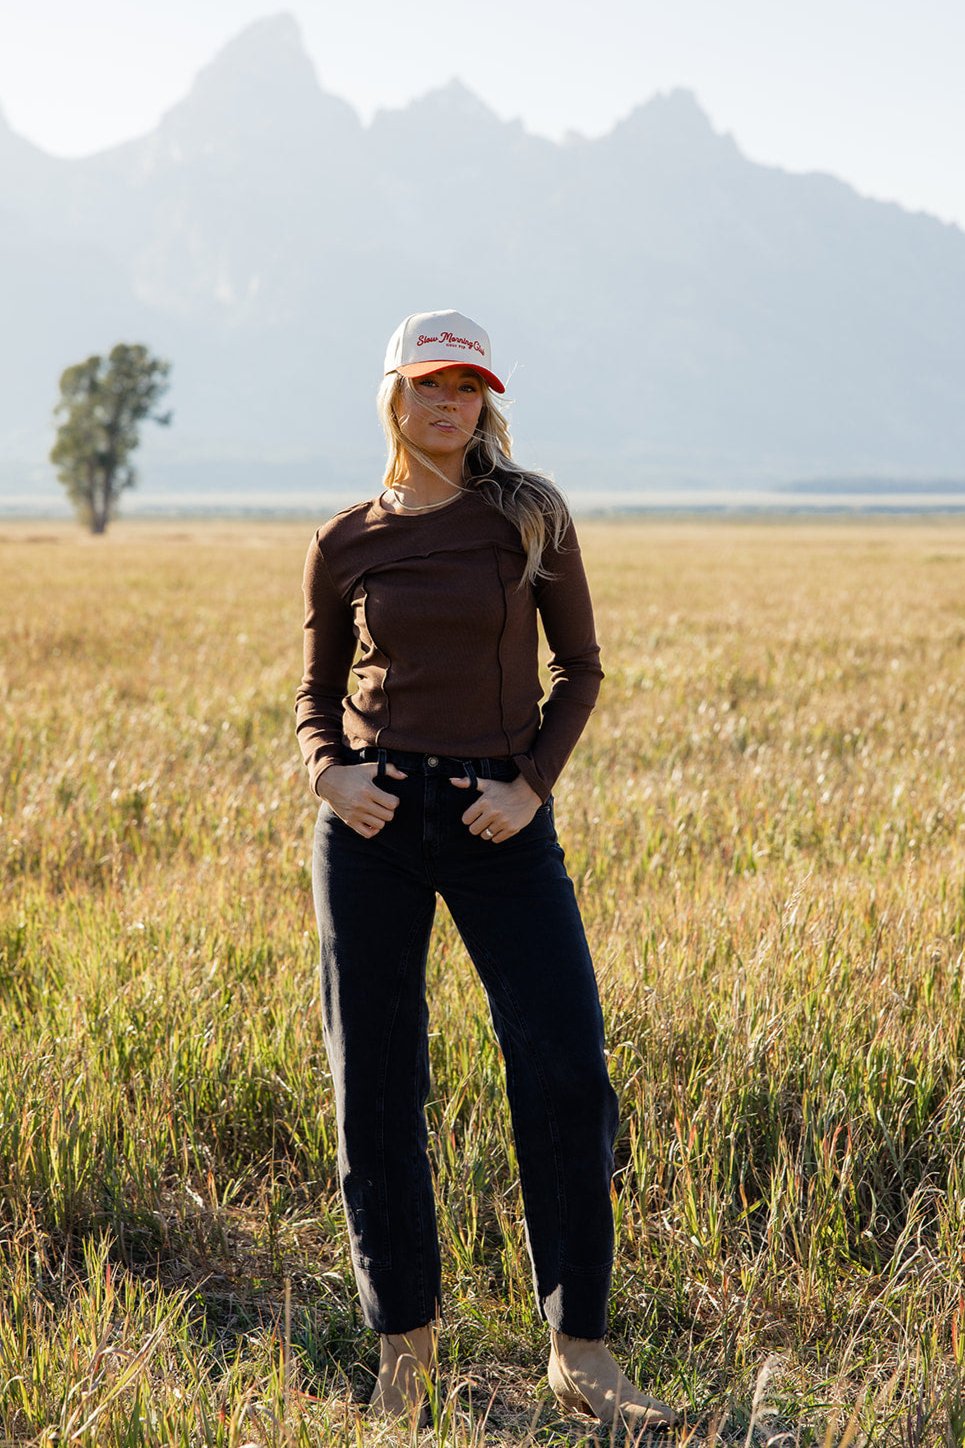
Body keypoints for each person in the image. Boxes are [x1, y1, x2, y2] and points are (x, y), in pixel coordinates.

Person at [295, 310, 678, 1433]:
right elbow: (315, 696)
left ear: (485, 401)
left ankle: (580, 1349)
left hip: (498, 819)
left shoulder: (527, 514)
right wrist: (331, 777)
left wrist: (529, 787)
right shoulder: (344, 539)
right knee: (375, 1086)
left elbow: (583, 668)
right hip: (370, 823)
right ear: (393, 398)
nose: (449, 403)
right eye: (429, 384)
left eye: (467, 385)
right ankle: (403, 1351)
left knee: (563, 1064)